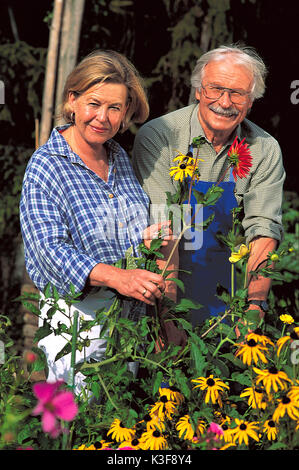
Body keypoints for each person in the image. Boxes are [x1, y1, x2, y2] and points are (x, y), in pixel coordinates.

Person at [20, 50, 173, 392]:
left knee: (119, 425)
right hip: (76, 322)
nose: (102, 117)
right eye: (94, 103)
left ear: (125, 114)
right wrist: (117, 276)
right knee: (78, 428)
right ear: (72, 100)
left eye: (115, 108)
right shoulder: (48, 165)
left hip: (128, 320)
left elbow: (120, 234)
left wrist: (144, 241)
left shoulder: (118, 156)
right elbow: (49, 248)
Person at [132, 44, 285, 328]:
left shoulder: (264, 149)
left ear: (251, 102)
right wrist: (168, 320)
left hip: (227, 297)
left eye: (237, 93)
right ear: (198, 91)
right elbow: (164, 229)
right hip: (162, 290)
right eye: (215, 89)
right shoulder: (160, 136)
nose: (224, 102)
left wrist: (254, 306)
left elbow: (263, 230)